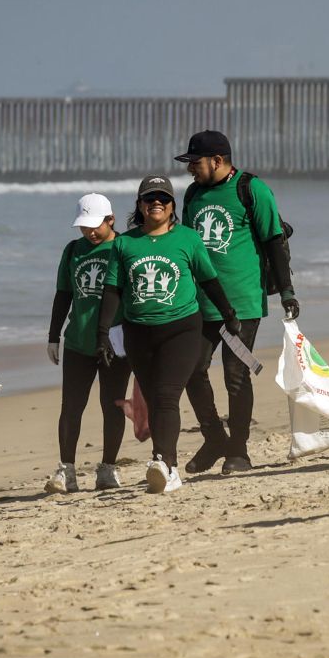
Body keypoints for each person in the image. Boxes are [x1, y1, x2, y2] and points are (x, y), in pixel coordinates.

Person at [95, 175, 239, 494]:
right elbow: (113, 290)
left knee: (166, 395)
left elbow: (209, 279)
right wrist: (103, 332)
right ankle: (163, 462)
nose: (156, 202)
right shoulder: (124, 243)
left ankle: (166, 464)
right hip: (138, 333)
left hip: (182, 328)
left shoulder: (188, 239)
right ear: (140, 205)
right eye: (149, 198)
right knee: (153, 397)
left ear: (172, 206)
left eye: (162, 197)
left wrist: (228, 313)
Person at [177, 130, 299, 474]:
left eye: (195, 163)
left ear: (217, 160)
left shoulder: (251, 189)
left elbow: (275, 240)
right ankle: (215, 438)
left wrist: (287, 291)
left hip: (242, 303)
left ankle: (239, 452)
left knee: (236, 376)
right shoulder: (193, 195)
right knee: (192, 371)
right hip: (200, 304)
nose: (191, 170)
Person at [44, 193, 132, 493]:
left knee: (114, 405)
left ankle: (107, 469)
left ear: (111, 220)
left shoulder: (124, 247)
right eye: (84, 226)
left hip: (116, 343)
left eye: (95, 226)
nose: (90, 232)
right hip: (78, 342)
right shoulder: (73, 251)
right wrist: (54, 336)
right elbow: (63, 294)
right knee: (71, 406)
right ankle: (66, 470)